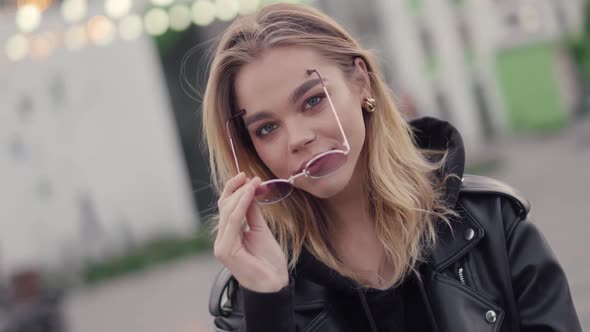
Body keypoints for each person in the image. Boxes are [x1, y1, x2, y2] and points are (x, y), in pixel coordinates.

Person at [202, 3, 581, 332]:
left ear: (361, 83)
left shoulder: (491, 226)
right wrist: (268, 304)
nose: (297, 138)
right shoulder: (249, 296)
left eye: (313, 101)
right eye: (267, 128)